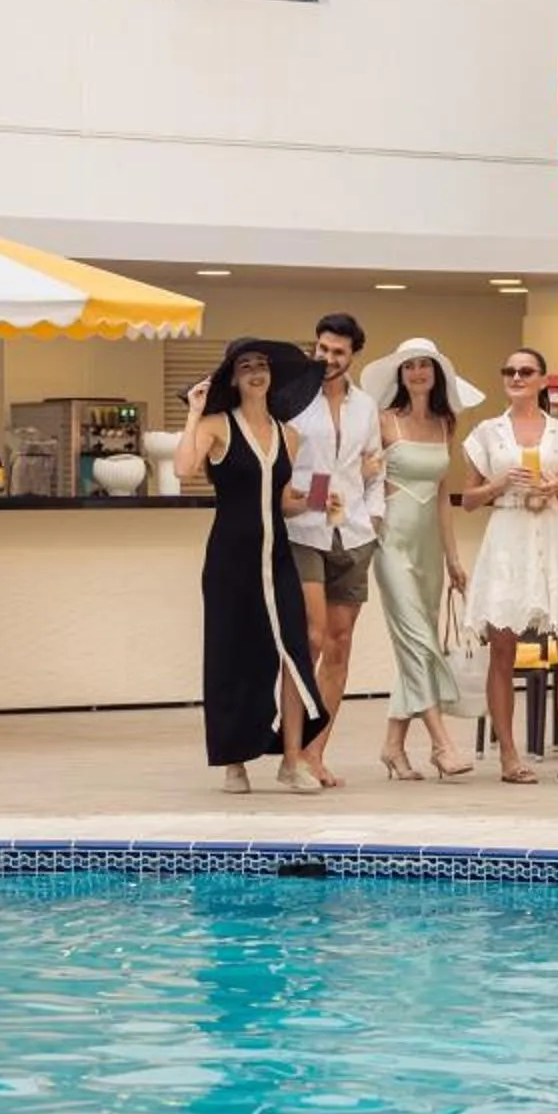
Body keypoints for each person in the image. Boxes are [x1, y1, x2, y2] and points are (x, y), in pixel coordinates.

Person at [174, 337, 330, 795]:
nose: (256, 373)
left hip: (277, 556)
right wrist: (193, 412)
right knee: (233, 658)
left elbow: (282, 503)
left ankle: (292, 759)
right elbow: (184, 469)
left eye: (261, 365)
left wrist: (315, 501)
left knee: (294, 654)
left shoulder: (289, 434)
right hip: (230, 561)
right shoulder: (216, 426)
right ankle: (234, 762)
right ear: (235, 378)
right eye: (246, 367)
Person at [455, 346, 558, 785]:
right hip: (509, 533)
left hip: (553, 534)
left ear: (542, 380)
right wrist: (500, 483)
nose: (516, 377)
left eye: (525, 371)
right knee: (503, 647)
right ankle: (509, 755)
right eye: (509, 370)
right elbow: (467, 501)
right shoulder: (487, 433)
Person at [358, 337, 483, 782]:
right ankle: (441, 744)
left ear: (436, 374)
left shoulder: (446, 426)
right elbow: (359, 474)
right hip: (391, 541)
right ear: (399, 374)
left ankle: (393, 745)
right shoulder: (383, 420)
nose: (416, 373)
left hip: (430, 546)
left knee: (420, 643)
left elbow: (443, 501)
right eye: (408, 366)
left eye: (424, 366)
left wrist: (453, 559)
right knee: (417, 641)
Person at [285, 313, 382, 789]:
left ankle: (315, 750)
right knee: (314, 637)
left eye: (338, 352)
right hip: (304, 527)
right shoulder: (293, 398)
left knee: (341, 644)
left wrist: (375, 515)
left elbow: (376, 466)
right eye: (322, 348)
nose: (327, 358)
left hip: (354, 531)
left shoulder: (366, 406)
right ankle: (290, 745)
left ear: (352, 355)